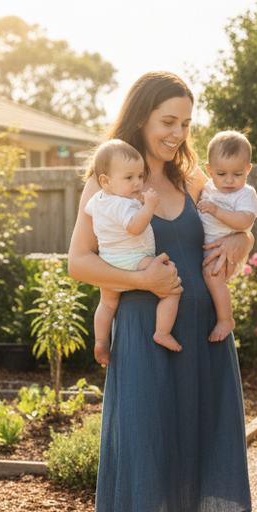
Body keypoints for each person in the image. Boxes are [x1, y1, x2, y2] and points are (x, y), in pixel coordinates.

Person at [67, 72, 254, 512]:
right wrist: (140, 280)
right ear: (142, 116)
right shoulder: (110, 181)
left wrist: (240, 244)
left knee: (188, 447)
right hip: (146, 338)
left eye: (186, 123)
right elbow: (78, 262)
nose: (177, 133)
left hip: (201, 334)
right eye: (168, 121)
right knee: (145, 452)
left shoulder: (190, 177)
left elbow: (241, 230)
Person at [85, 139, 181, 364]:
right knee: (171, 289)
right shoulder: (122, 204)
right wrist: (148, 206)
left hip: (108, 264)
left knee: (107, 304)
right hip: (135, 259)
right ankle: (162, 332)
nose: (137, 183)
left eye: (140, 176)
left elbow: (95, 214)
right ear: (105, 181)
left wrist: (133, 198)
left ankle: (100, 341)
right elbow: (135, 227)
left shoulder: (97, 200)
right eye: (129, 178)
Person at [197, 131, 257, 341]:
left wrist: (217, 211)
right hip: (204, 247)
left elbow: (245, 222)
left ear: (248, 170)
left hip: (220, 252)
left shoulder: (245, 194)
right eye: (221, 174)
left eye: (237, 174)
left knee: (211, 276)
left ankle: (226, 319)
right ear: (209, 170)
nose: (229, 181)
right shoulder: (206, 187)